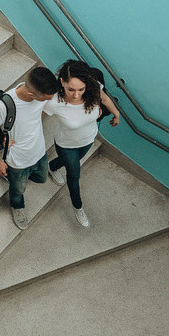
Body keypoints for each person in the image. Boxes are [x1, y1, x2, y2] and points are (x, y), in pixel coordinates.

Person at [43, 60, 120, 227]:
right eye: (71, 89)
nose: (76, 95)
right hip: (66, 145)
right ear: (62, 82)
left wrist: (116, 114)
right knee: (74, 174)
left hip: (88, 138)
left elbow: (105, 99)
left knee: (68, 164)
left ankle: (52, 166)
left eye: (81, 89)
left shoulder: (93, 87)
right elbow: (35, 116)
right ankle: (78, 207)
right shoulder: (54, 102)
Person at [0, 66, 60, 230]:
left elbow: (36, 114)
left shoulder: (38, 93)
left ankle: (11, 176)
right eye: (45, 98)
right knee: (18, 189)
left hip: (39, 151)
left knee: (41, 178)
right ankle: (17, 206)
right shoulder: (3, 105)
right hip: (18, 160)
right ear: (32, 94)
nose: (49, 100)